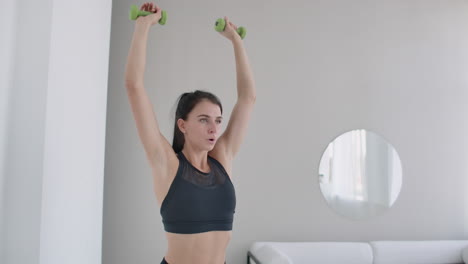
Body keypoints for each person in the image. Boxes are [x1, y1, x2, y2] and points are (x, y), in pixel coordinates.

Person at [124, 2, 256, 264]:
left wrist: (235, 41)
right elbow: (134, 86)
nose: (214, 128)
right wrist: (143, 26)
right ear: (182, 125)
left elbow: (248, 98)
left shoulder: (222, 160)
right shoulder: (167, 164)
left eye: (218, 120)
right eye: (204, 119)